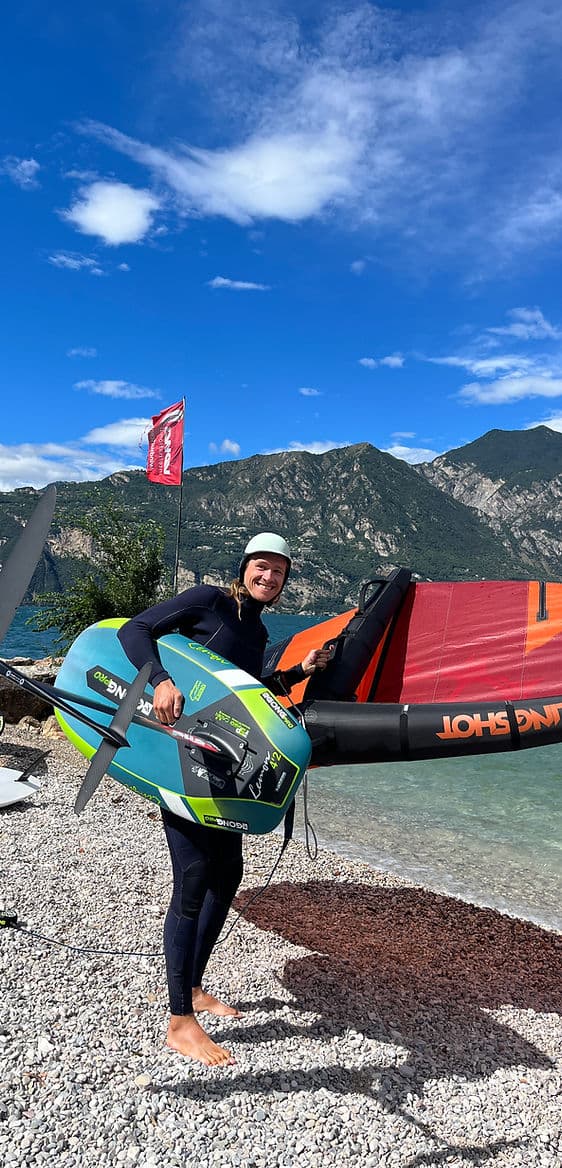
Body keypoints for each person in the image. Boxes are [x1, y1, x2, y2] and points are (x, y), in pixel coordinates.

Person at [118, 533, 330, 1067]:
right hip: (179, 760)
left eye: (279, 571)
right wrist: (160, 680)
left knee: (227, 876)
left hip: (219, 766)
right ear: (245, 567)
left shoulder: (257, 629)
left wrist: (298, 674)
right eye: (262, 566)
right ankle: (178, 1022)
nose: (269, 577)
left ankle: (191, 987)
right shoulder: (209, 600)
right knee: (192, 881)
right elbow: (133, 630)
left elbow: (248, 692)